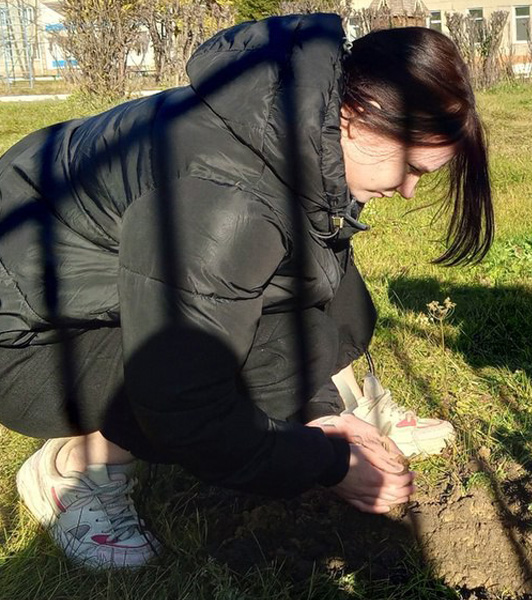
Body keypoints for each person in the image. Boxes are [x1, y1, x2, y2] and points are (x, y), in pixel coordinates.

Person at [0, 14, 493, 569]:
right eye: (412, 166)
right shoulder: (228, 201)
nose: (408, 191)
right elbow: (186, 405)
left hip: (98, 284)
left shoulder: (298, 118)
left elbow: (307, 289)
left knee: (334, 310)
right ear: (359, 114)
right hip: (26, 339)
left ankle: (344, 410)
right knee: (241, 373)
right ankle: (75, 469)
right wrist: (327, 462)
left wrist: (322, 413)